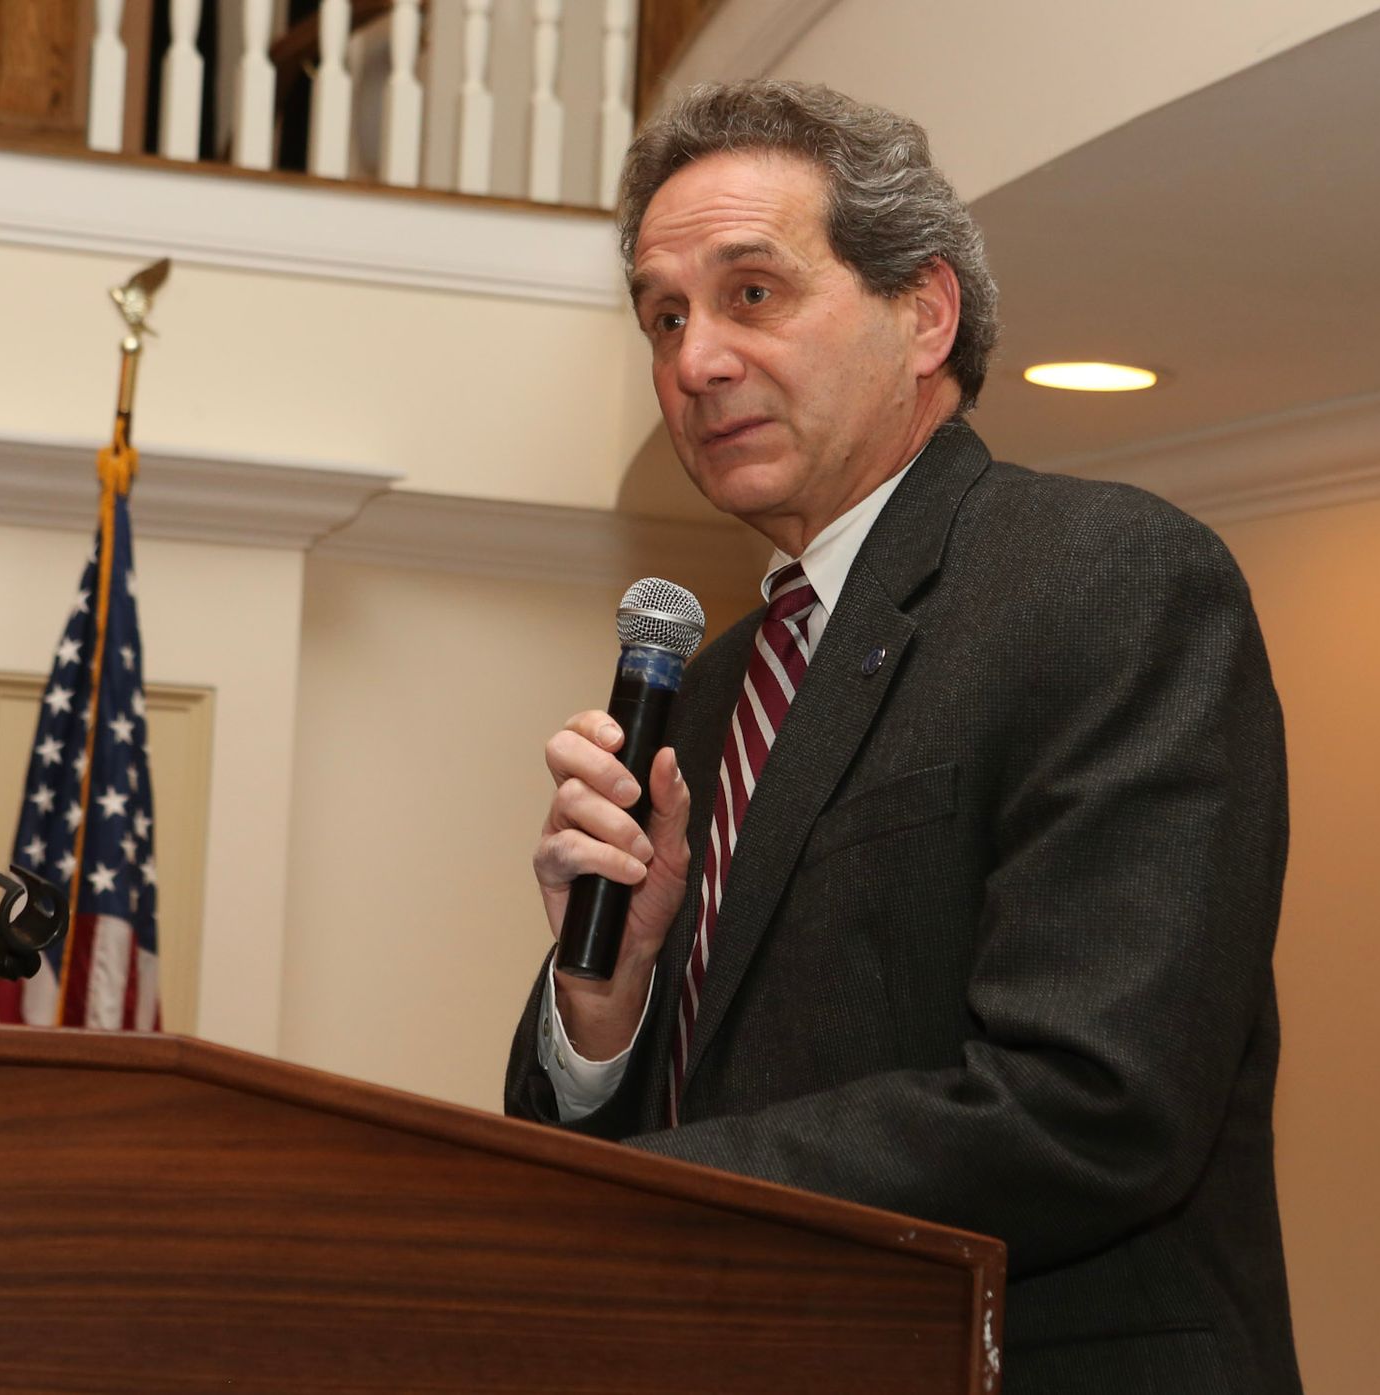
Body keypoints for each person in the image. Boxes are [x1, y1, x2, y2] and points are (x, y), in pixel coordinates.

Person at [503, 81, 1302, 1393]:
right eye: (664, 315)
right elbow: (683, 1087)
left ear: (923, 313)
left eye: (750, 292)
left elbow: (1092, 1106)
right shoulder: (704, 695)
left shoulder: (1108, 578)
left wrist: (614, 1195)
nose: (693, 360)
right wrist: (603, 1005)